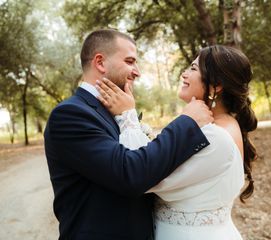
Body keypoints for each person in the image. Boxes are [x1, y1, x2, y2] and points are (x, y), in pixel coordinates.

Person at [44, 29, 214, 240]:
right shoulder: (70, 114)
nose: (137, 71)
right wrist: (187, 123)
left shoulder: (117, 109)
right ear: (100, 62)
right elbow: (131, 173)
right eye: (130, 61)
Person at [95, 45, 258, 239]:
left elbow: (144, 175)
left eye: (194, 69)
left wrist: (127, 116)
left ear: (216, 85)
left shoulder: (215, 137)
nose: (184, 74)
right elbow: (159, 157)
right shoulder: (218, 127)